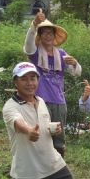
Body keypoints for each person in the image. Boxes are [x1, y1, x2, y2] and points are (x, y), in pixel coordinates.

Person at [23, 10, 81, 156]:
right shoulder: (36, 53)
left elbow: (76, 73)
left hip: (59, 101)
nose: (47, 36)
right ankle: (42, 164)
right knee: (42, 133)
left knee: (58, 136)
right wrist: (34, 24)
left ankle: (58, 164)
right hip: (41, 100)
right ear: (40, 36)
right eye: (44, 33)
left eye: (50, 33)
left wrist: (75, 64)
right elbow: (28, 46)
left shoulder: (61, 54)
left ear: (54, 36)